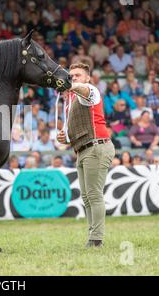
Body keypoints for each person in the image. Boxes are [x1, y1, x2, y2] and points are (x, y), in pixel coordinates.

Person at [56, 63, 115, 248]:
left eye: (78, 75)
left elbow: (83, 90)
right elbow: (71, 135)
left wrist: (70, 85)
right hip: (84, 149)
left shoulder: (90, 90)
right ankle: (93, 235)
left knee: (94, 195)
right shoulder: (71, 101)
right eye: (71, 75)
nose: (73, 78)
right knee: (87, 196)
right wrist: (64, 138)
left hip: (96, 146)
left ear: (87, 78)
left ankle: (96, 239)